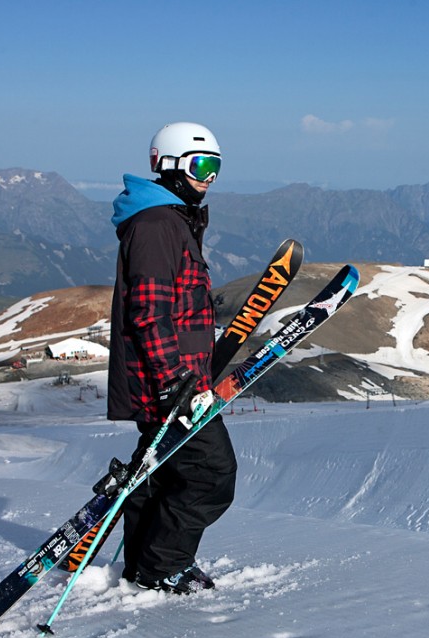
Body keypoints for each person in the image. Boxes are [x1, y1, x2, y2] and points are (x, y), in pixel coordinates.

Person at [106, 122, 236, 594]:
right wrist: (175, 379)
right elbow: (148, 312)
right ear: (169, 164)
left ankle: (143, 565)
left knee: (160, 475)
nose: (208, 178)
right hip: (168, 384)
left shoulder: (170, 219)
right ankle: (164, 566)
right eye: (201, 166)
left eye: (216, 169)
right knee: (212, 473)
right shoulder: (159, 225)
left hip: (172, 379)